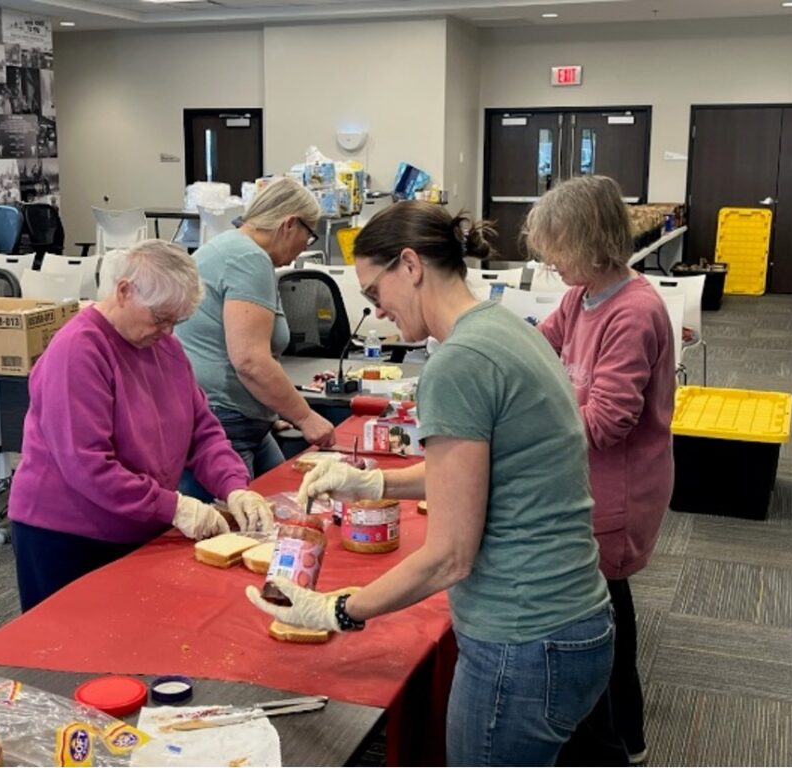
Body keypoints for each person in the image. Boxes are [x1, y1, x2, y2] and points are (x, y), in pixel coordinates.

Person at [245, 202, 615, 766]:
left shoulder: (459, 361)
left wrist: (339, 610)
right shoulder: (501, 327)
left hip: (523, 636)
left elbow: (449, 558)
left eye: (374, 294)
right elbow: (475, 475)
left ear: (411, 265)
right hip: (571, 618)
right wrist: (370, 485)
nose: (378, 312)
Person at [9, 240, 274, 612]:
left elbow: (203, 432)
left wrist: (234, 487)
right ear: (124, 291)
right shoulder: (78, 350)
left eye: (176, 322)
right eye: (160, 318)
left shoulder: (165, 348)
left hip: (134, 524)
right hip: (66, 535)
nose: (167, 331)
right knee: (69, 654)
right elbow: (88, 466)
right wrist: (172, 507)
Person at [527, 176, 676, 765]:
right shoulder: (579, 296)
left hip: (619, 491)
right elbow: (539, 351)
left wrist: (532, 420)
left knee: (606, 618)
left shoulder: (633, 311)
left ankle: (621, 743)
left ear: (593, 241)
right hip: (590, 483)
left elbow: (606, 422)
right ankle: (619, 734)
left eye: (557, 247)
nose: (548, 259)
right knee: (605, 610)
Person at [176, 177, 336, 480]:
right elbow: (250, 361)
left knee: (286, 498)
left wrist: (270, 408)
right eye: (309, 235)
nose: (305, 248)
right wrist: (305, 417)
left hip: (241, 420)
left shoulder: (231, 247)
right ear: (290, 224)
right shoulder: (249, 258)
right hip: (222, 423)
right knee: (249, 522)